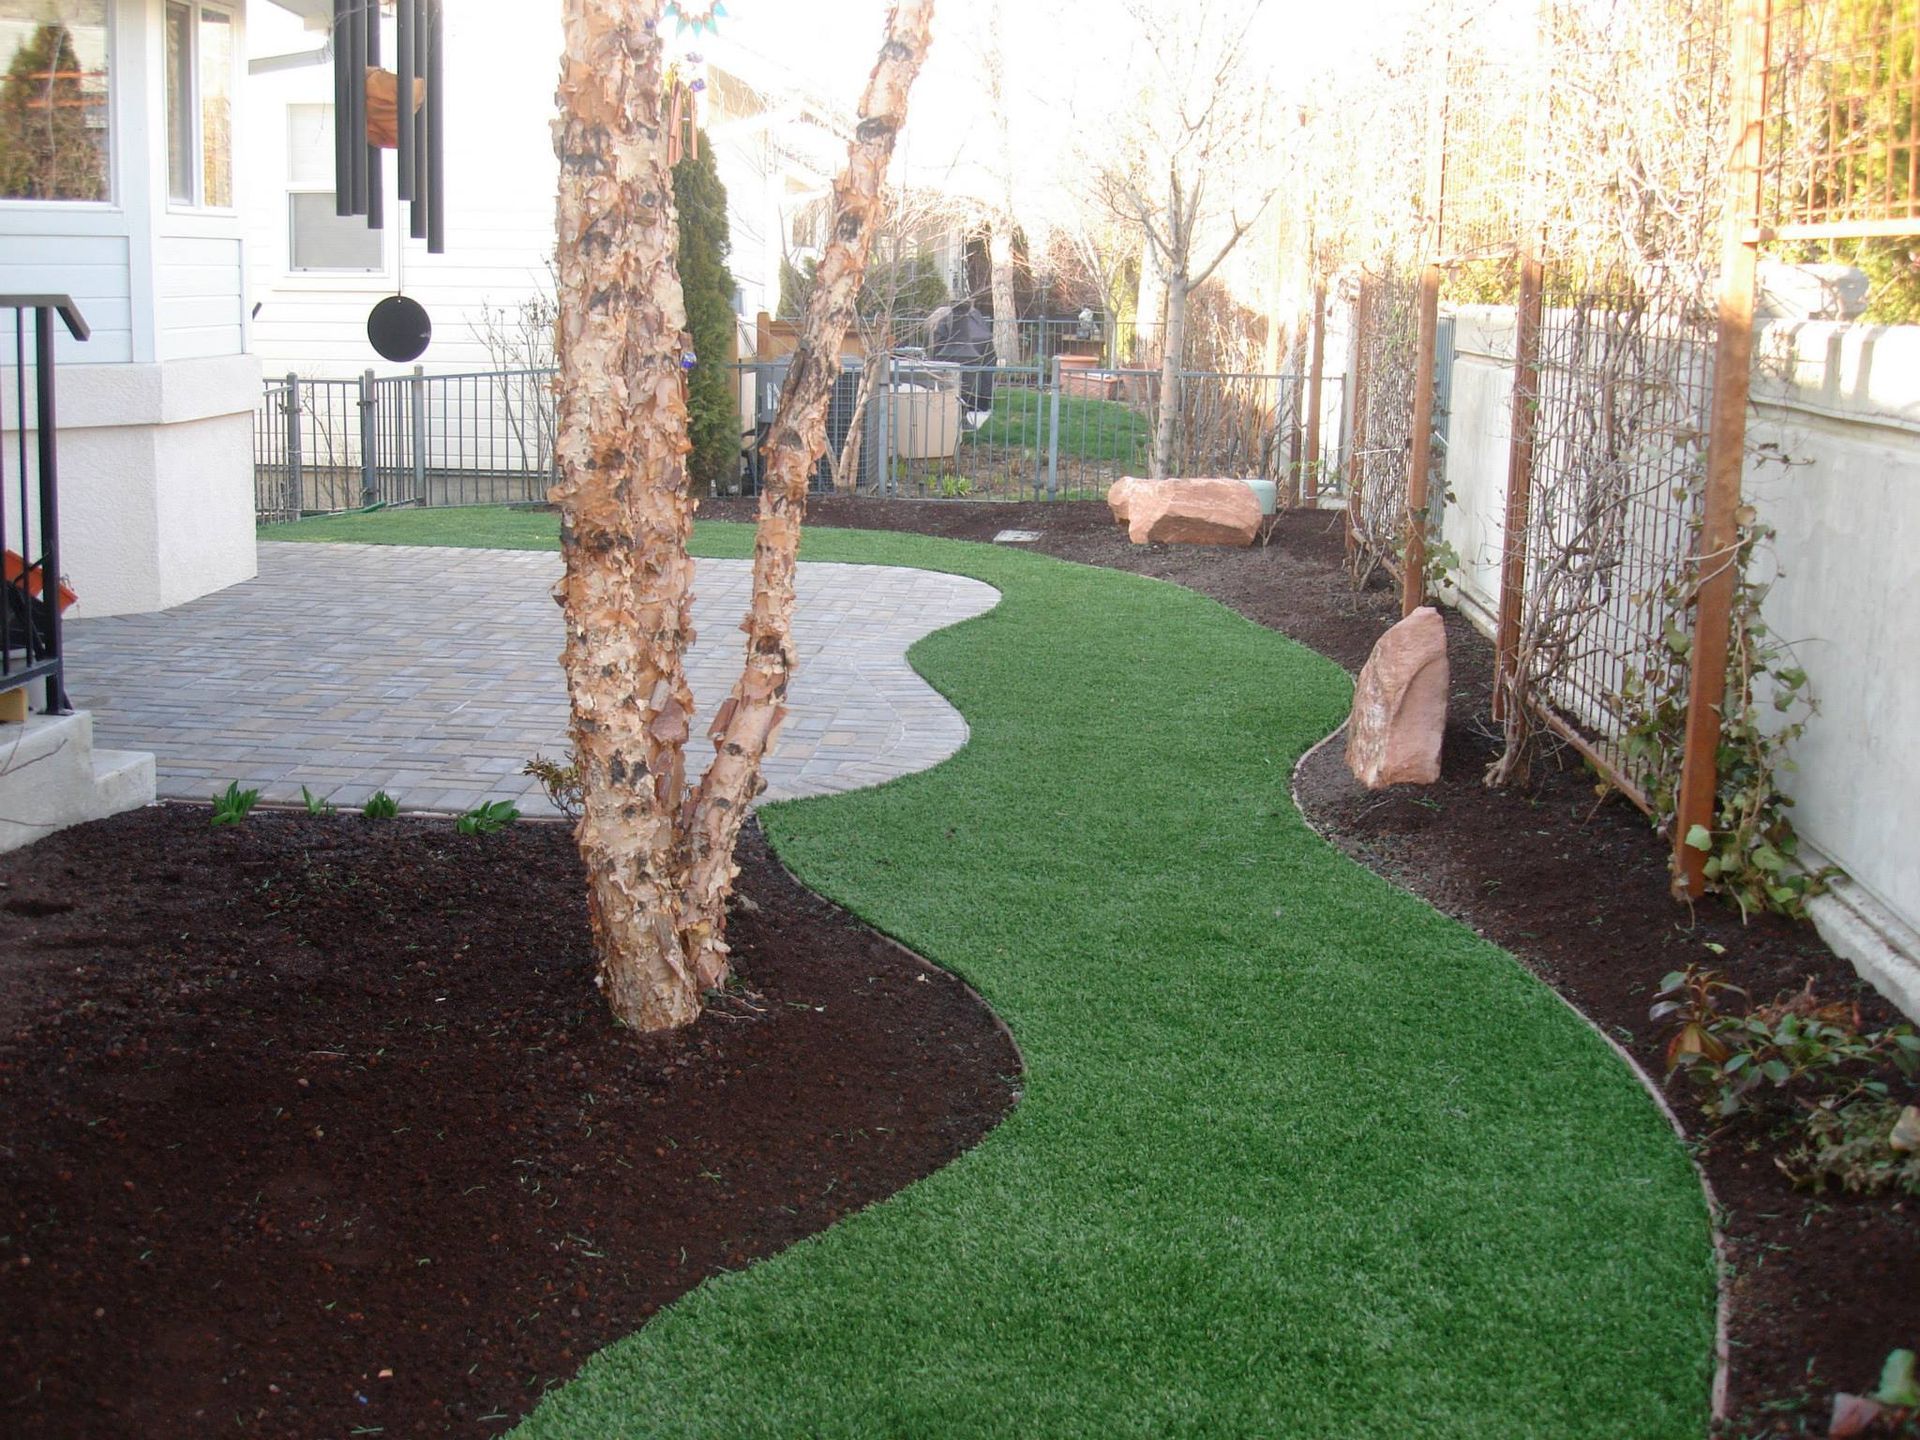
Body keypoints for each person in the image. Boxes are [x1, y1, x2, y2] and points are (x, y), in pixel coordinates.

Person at [927, 295, 997, 426]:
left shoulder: (946, 321)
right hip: (970, 350)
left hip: (964, 350)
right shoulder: (968, 320)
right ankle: (977, 402)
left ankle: (967, 405)